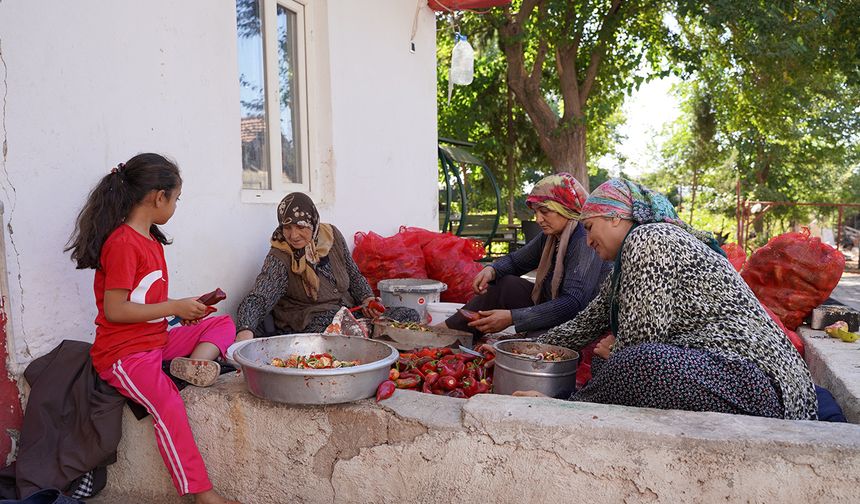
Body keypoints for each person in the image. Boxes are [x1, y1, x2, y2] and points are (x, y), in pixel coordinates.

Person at [523, 178, 817, 420]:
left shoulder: (649, 238)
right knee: (611, 360)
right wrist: (530, 350)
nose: (587, 241)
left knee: (637, 362)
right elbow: (587, 322)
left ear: (615, 217)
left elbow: (641, 343)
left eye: (589, 228)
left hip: (761, 385)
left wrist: (614, 351)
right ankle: (576, 402)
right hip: (727, 377)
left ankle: (570, 407)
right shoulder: (625, 264)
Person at [65, 153, 241, 504]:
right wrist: (173, 308)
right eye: (176, 198)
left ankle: (197, 365)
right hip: (124, 354)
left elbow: (145, 301)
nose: (175, 205)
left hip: (157, 338)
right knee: (169, 404)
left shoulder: (151, 241)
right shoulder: (122, 243)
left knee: (221, 322)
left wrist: (184, 310)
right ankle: (203, 494)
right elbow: (115, 310)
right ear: (158, 196)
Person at [444, 173, 610, 338]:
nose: (538, 219)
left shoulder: (583, 238)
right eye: (536, 212)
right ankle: (448, 331)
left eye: (545, 211)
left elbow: (573, 303)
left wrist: (513, 317)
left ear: (566, 209)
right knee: (505, 285)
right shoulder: (550, 236)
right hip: (554, 306)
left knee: (532, 342)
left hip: (579, 321)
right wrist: (492, 270)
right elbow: (516, 261)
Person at [235, 192, 417, 339]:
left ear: (313, 222)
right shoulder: (280, 255)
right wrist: (245, 329)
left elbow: (354, 275)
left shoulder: (332, 236)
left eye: (300, 227)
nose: (293, 235)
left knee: (408, 316)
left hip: (350, 313)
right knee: (335, 332)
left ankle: (367, 335)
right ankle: (369, 338)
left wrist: (367, 300)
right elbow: (259, 297)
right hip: (311, 322)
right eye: (287, 227)